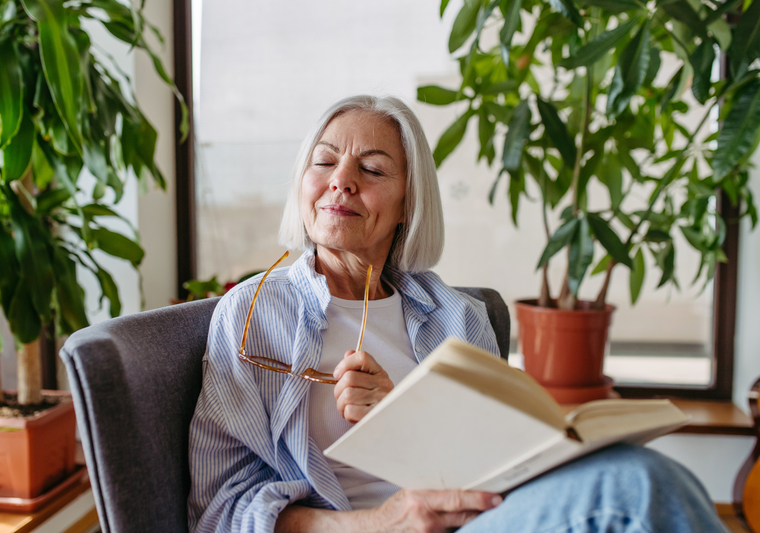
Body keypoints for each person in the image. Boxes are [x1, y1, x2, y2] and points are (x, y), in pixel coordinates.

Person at [187, 95, 727, 533]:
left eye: (372, 168)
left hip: (476, 521)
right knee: (636, 490)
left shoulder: (456, 315)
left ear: (408, 204)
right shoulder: (252, 314)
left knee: (643, 475)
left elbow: (496, 466)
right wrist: (384, 523)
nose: (341, 179)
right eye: (324, 161)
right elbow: (220, 513)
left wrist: (408, 419)